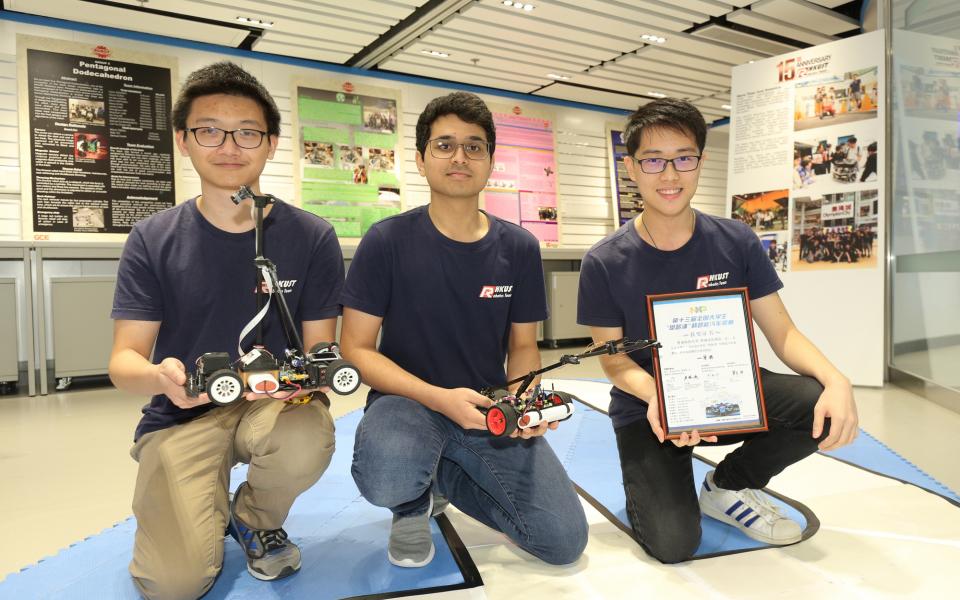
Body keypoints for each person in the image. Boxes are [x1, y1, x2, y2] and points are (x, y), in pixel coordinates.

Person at [576, 98, 858, 564]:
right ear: (632, 167)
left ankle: (727, 485)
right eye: (653, 161)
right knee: (673, 544)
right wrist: (659, 398)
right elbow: (614, 359)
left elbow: (782, 331)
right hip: (651, 409)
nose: (670, 175)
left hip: (729, 392)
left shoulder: (736, 241)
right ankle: (659, 483)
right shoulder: (605, 261)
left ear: (701, 162)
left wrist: (837, 379)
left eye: (684, 158)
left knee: (819, 405)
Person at [109, 62, 344, 598]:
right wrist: (158, 377)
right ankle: (198, 503)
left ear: (272, 142)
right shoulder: (153, 239)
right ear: (183, 141)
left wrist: (324, 374)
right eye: (209, 130)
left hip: (271, 405)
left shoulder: (311, 237)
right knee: (174, 585)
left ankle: (255, 518)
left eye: (247, 132)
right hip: (182, 414)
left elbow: (320, 349)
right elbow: (124, 361)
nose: (229, 145)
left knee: (307, 433)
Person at [341, 91, 587, 569]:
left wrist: (523, 402)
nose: (460, 157)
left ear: (491, 160)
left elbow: (522, 344)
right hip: (406, 404)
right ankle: (411, 500)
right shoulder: (386, 241)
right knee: (386, 476)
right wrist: (437, 397)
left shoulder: (518, 247)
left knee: (561, 541)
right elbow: (355, 348)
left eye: (474, 146)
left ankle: (442, 477)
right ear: (421, 158)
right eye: (445, 145)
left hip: (487, 406)